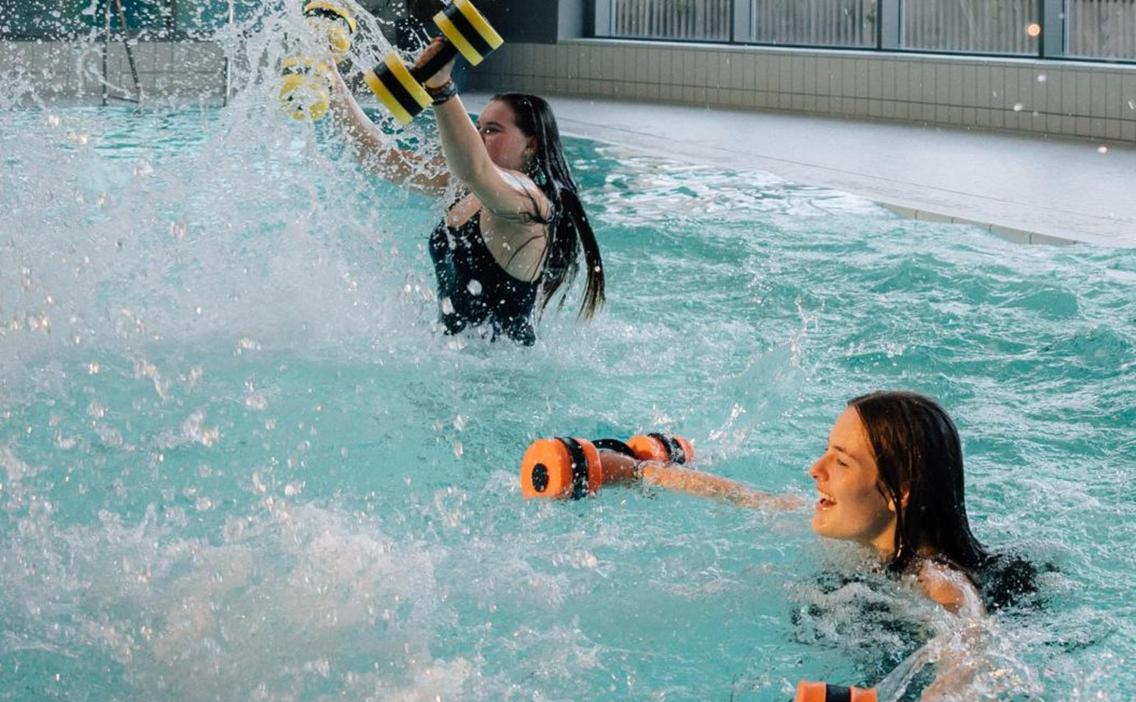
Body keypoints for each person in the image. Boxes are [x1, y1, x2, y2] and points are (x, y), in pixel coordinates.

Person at [599, 390, 1037, 616]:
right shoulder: (853, 529)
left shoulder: (939, 583)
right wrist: (643, 472)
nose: (815, 468)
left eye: (841, 462)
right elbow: (747, 497)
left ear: (900, 490)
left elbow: (969, 648)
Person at [328, 39, 605, 345]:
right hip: (456, 361)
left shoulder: (531, 202)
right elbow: (375, 155)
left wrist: (441, 88)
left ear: (531, 145)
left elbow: (476, 169)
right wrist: (328, 74)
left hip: (506, 378)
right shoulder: (463, 184)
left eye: (492, 130)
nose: (479, 135)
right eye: (479, 126)